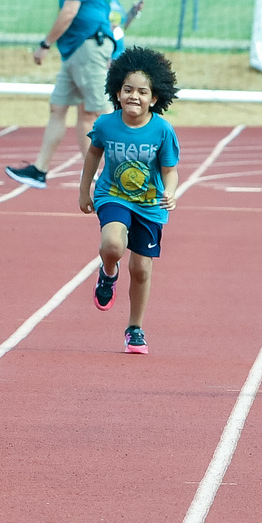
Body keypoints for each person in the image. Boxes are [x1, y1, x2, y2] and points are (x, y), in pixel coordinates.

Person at [79, 46, 179, 355]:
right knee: (112, 245)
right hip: (113, 195)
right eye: (128, 89)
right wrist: (85, 189)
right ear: (117, 92)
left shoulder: (162, 131)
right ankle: (108, 273)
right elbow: (94, 153)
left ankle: (135, 328)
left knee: (141, 270)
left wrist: (171, 191)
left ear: (155, 98)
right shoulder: (107, 125)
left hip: (149, 205)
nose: (134, 96)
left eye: (142, 91)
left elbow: (170, 170)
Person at [5, 0, 113, 190]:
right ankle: (40, 170)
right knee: (59, 107)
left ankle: (102, 175)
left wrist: (45, 44)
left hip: (86, 45)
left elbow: (69, 11)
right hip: (77, 47)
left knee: (92, 112)